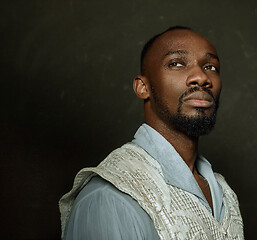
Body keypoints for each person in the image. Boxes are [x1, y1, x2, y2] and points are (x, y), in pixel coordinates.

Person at [59, 26, 244, 240]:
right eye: (176, 63)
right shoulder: (111, 196)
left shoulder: (223, 192)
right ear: (142, 87)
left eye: (210, 66)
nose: (201, 77)